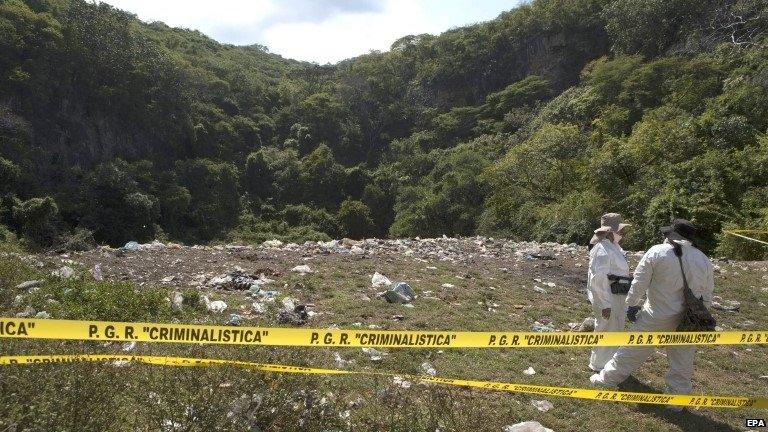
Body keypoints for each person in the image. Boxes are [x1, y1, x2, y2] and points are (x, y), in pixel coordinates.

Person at [590, 219, 715, 411]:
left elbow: (639, 283)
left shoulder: (657, 252)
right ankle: (676, 401)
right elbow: (707, 294)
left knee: (632, 351)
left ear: (673, 235)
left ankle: (606, 380)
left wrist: (631, 305)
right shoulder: (703, 259)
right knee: (682, 360)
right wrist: (700, 316)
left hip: (656, 314)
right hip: (687, 319)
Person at [587, 213, 631, 372]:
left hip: (617, 297)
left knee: (615, 330)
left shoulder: (614, 248)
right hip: (607, 299)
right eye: (619, 230)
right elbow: (598, 279)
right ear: (610, 232)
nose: (622, 233)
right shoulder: (603, 250)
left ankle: (609, 366)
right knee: (605, 330)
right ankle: (599, 366)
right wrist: (605, 304)